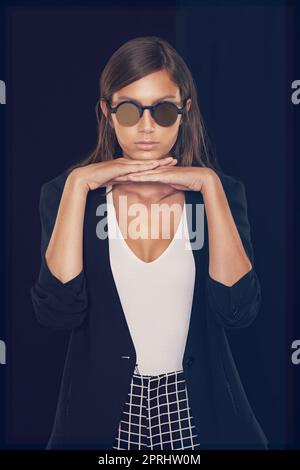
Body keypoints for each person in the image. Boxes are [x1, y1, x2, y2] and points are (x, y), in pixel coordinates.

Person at [30, 36, 269, 450]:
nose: (146, 127)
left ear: (184, 112)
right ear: (107, 112)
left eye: (162, 111)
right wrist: (78, 183)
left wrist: (208, 185)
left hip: (198, 412)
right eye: (128, 110)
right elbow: (58, 312)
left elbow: (238, 310)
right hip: (101, 417)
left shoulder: (220, 194)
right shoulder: (69, 195)